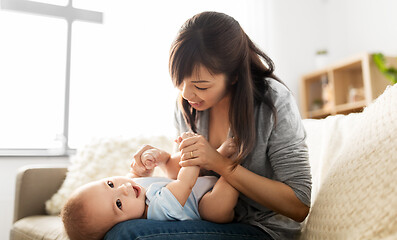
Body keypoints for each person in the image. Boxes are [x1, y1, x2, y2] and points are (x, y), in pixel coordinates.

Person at [115, 11, 312, 240]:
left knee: (128, 234)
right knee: (114, 225)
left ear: (235, 76)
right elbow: (188, 181)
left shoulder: (273, 102)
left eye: (201, 85)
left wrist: (220, 163)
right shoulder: (188, 104)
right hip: (201, 216)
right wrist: (156, 163)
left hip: (262, 227)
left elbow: (299, 205)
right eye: (179, 82)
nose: (187, 93)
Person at [61, 132, 239, 240]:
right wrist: (190, 152)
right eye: (118, 204)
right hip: (206, 200)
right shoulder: (156, 210)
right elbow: (185, 182)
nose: (123, 189)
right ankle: (230, 166)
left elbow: (139, 175)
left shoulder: (133, 188)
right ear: (119, 226)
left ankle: (216, 158)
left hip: (201, 181)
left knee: (177, 169)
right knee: (214, 209)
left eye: (110, 184)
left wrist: (150, 160)